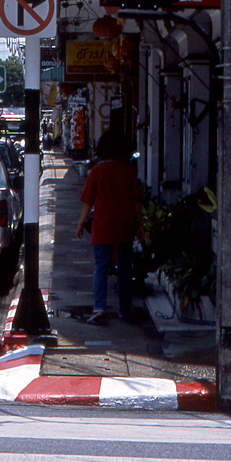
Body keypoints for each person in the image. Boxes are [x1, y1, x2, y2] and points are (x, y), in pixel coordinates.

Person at [76, 130, 145, 324]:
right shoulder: (129, 170)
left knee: (101, 267)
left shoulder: (96, 172)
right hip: (125, 225)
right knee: (125, 268)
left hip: (102, 225)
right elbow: (136, 202)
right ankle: (125, 310)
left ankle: (99, 309)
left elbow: (88, 202)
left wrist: (81, 223)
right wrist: (140, 226)